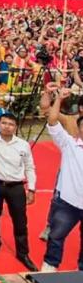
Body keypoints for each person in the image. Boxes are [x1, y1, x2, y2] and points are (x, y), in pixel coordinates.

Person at [0, 113, 38, 271]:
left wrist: (32, 188)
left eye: (11, 124)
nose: (7, 127)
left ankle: (23, 253)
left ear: (15, 127)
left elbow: (29, 167)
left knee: (20, 221)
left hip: (16, 187)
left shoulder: (23, 145)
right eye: (4, 123)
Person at [41, 87, 83, 272]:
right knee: (56, 236)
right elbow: (52, 121)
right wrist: (58, 99)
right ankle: (49, 267)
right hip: (67, 201)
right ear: (79, 130)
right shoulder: (69, 144)